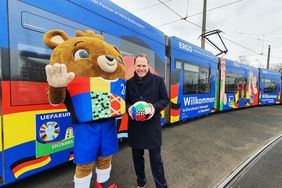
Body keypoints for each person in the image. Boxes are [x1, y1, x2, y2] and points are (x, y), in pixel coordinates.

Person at [126, 53, 169, 188]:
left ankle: (161, 186)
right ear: (135, 65)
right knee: (137, 159)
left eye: (144, 65)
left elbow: (165, 100)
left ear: (148, 65)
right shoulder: (129, 83)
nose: (141, 68)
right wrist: (129, 109)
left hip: (152, 127)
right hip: (135, 127)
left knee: (156, 160)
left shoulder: (158, 81)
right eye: (138, 65)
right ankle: (141, 183)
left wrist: (153, 107)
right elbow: (126, 101)